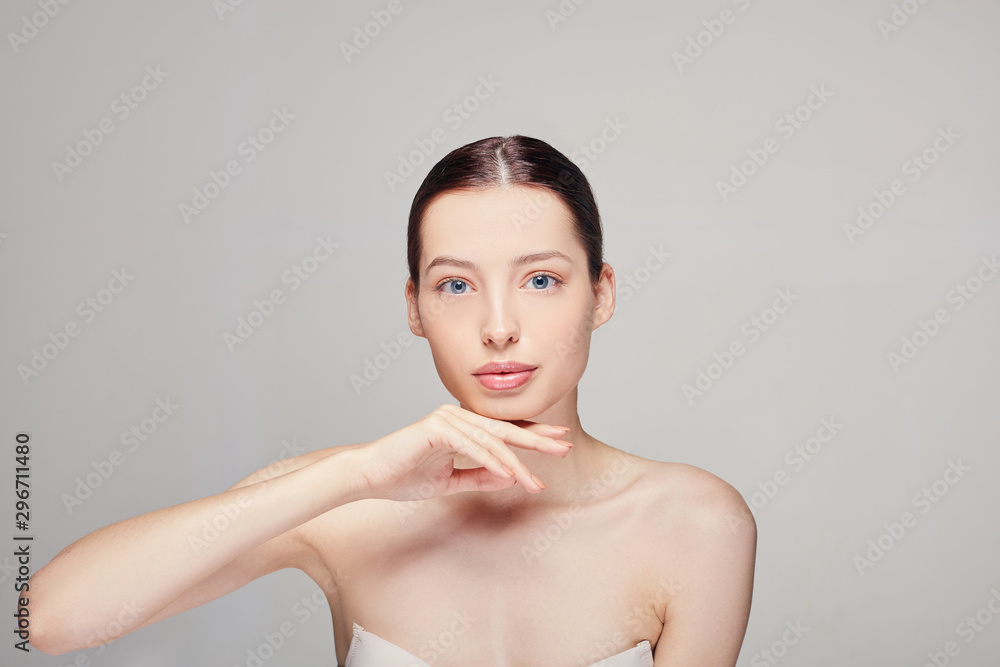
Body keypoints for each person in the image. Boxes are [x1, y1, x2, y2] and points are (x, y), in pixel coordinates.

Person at [22, 135, 756, 666]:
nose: (499, 327)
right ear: (414, 308)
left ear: (601, 293)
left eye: (541, 280)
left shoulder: (695, 523)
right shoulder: (346, 502)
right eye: (456, 285)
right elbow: (48, 618)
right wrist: (355, 476)